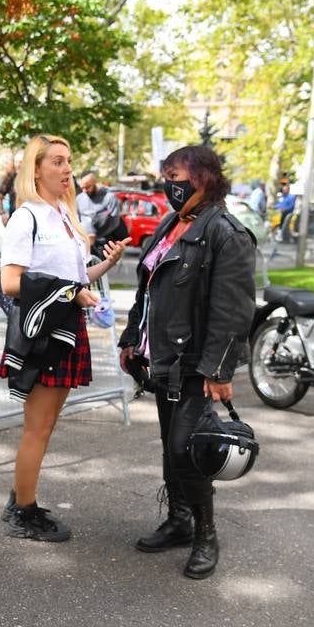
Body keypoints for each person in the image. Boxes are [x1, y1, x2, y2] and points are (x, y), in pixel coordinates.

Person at [117, 145, 255, 579]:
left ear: (203, 177)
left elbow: (232, 310)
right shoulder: (172, 225)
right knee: (170, 445)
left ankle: (205, 533)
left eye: (175, 175)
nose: (168, 184)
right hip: (163, 358)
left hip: (196, 362)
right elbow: (149, 290)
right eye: (166, 176)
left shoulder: (226, 233)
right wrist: (130, 338)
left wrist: (219, 369)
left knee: (186, 448)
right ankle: (179, 521)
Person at [0, 135, 124, 542]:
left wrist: (106, 263)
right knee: (37, 428)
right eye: (57, 162)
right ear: (36, 170)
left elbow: (78, 278)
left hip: (67, 331)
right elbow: (11, 281)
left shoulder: (65, 216)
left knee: (45, 426)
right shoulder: (26, 217)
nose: (67, 169)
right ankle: (23, 512)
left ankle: (22, 500)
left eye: (69, 161)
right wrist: (72, 293)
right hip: (45, 336)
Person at [75, 169, 128, 256]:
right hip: (83, 243)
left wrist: (96, 235)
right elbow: (77, 219)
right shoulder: (79, 199)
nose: (85, 190)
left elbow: (115, 222)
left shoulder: (109, 198)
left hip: (102, 244)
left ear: (95, 182)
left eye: (88, 187)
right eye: (82, 188)